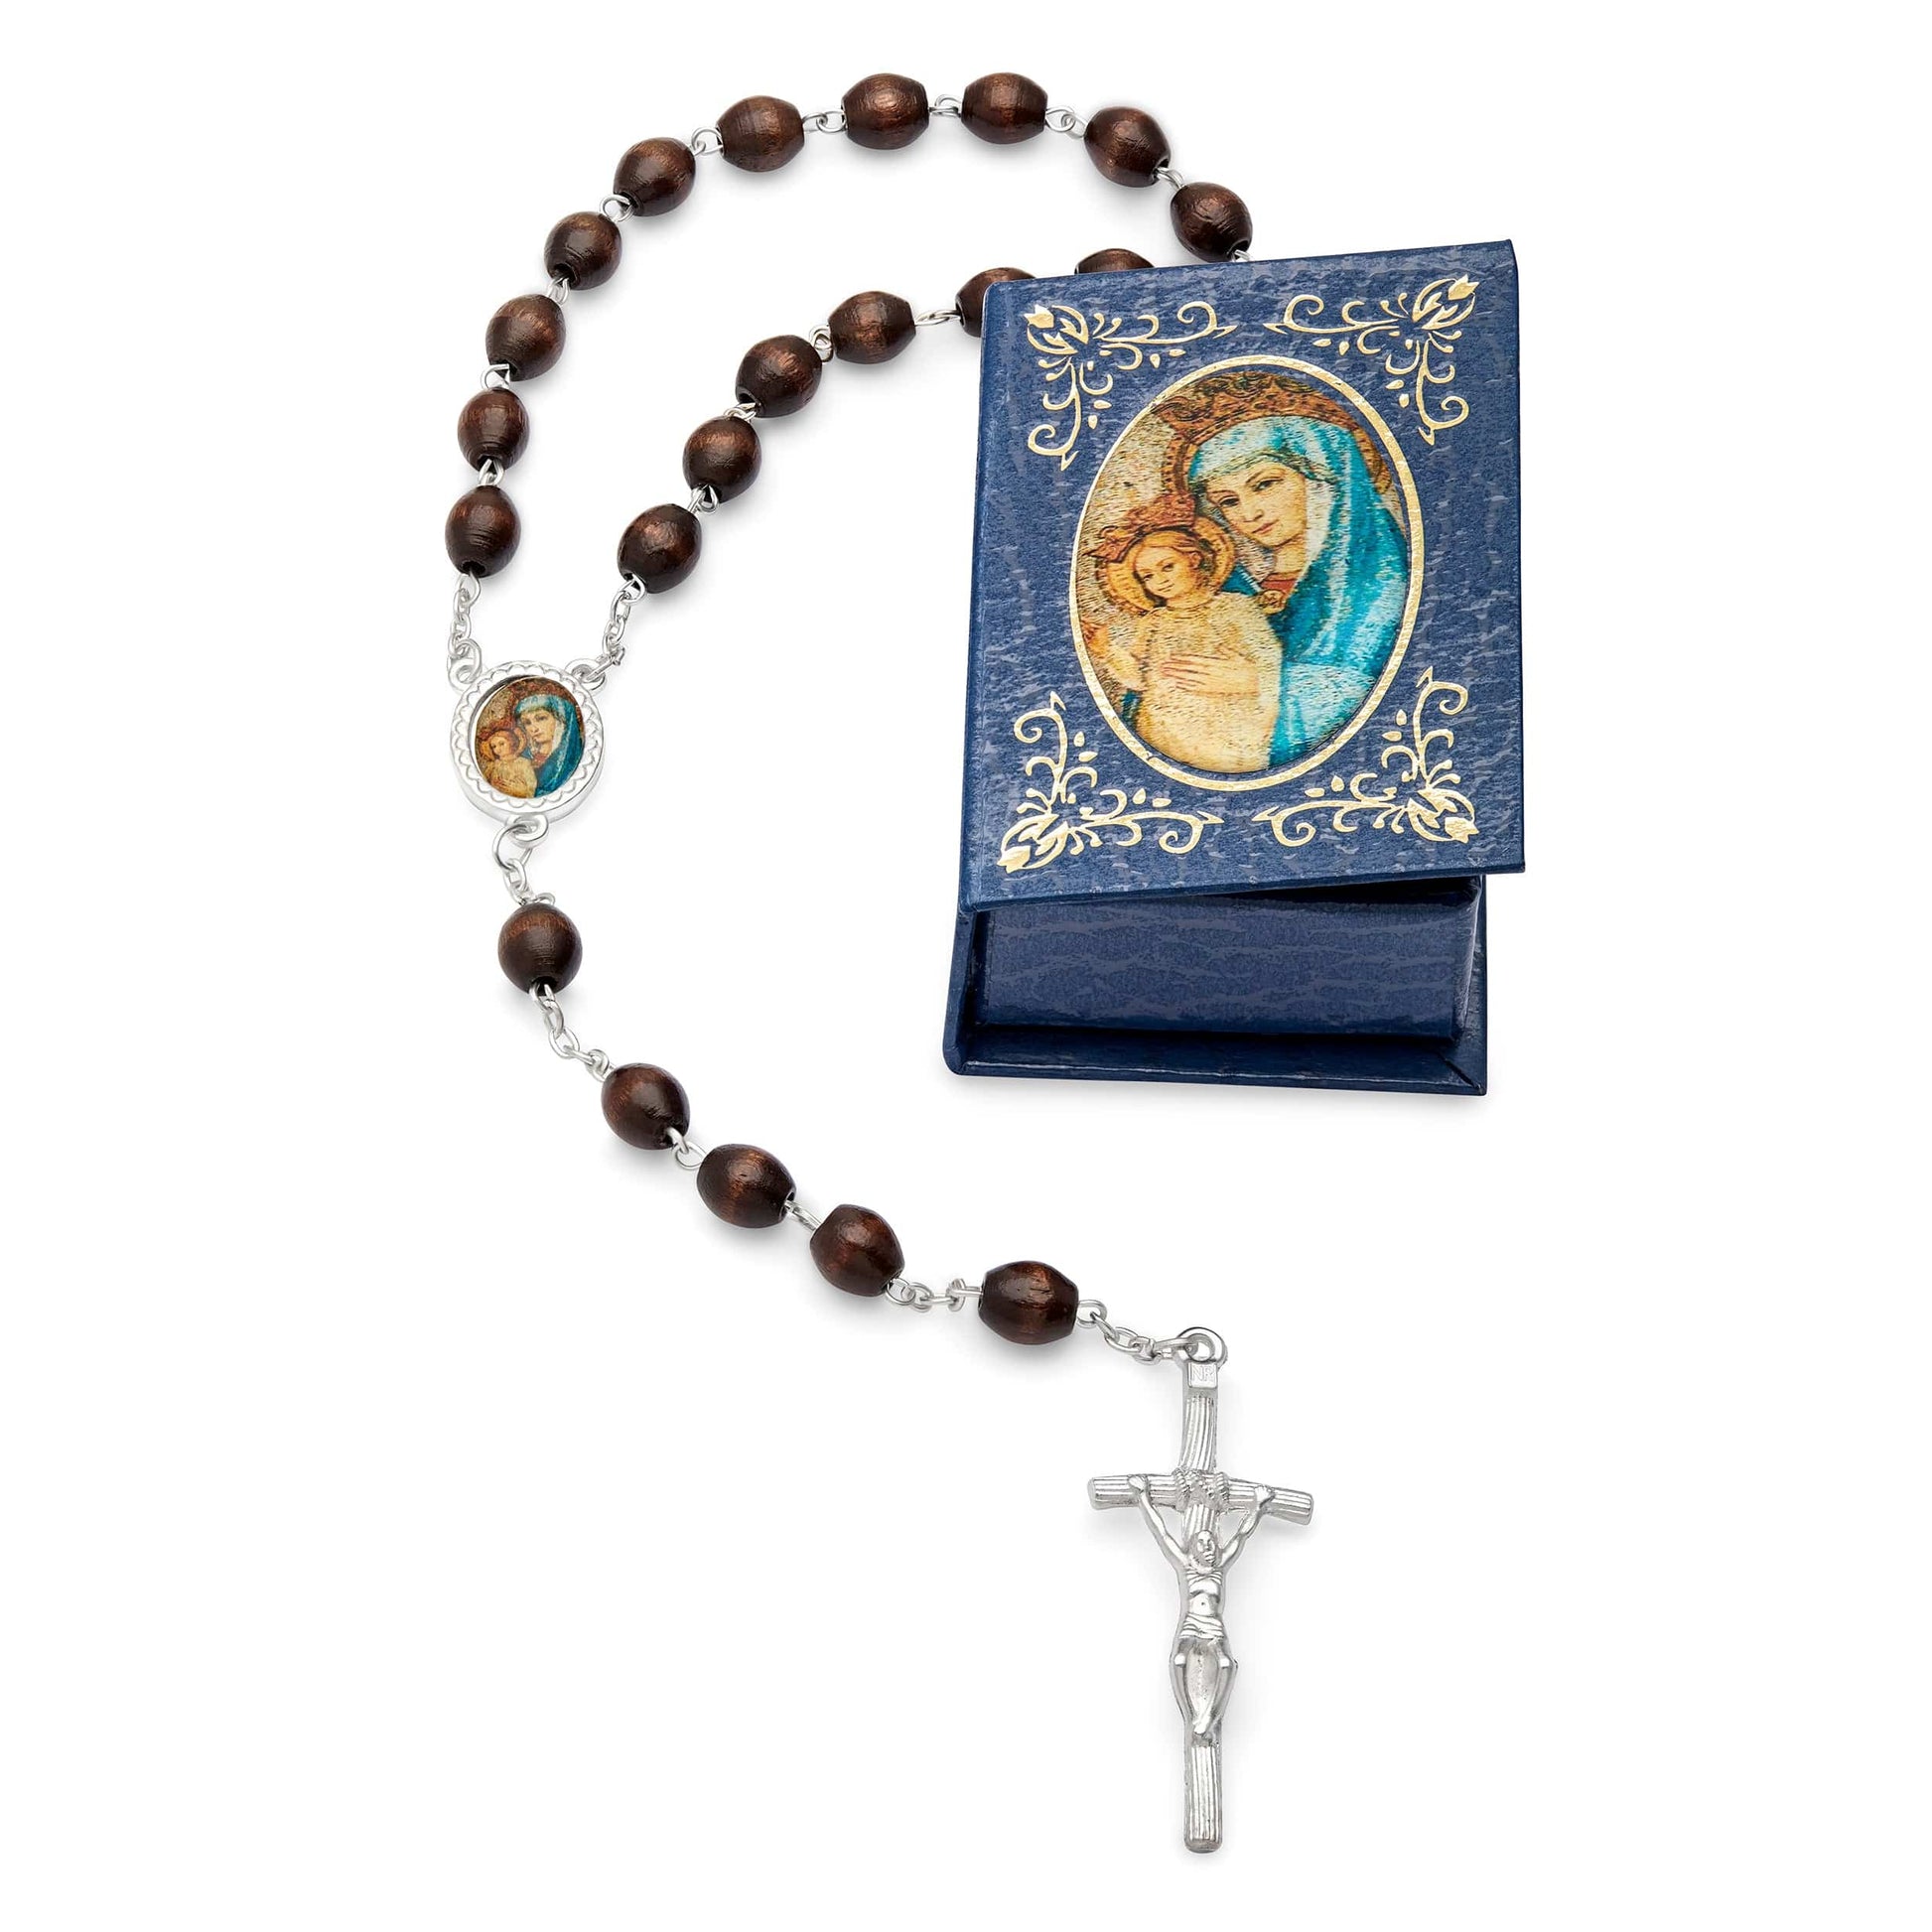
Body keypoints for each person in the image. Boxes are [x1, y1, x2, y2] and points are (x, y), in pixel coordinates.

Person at [1185, 413, 1409, 765]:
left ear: (1320, 480)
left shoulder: (1376, 585)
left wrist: (1259, 681)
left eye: (1265, 484)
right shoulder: (1227, 593)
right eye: (1228, 501)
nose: (1249, 513)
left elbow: (1388, 694)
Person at [1090, 519, 1282, 774]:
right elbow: (1139, 679)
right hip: (1163, 727)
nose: (1160, 580)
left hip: (1226, 725)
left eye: (1167, 567)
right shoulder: (1154, 622)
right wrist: (1107, 650)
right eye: (1148, 576)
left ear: (1193, 559)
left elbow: (1270, 660)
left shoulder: (1237, 608)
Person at [1127, 1473, 1273, 1741]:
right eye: (1202, 1543)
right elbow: (1161, 1532)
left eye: (1212, 1542)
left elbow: (1242, 1534)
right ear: (1192, 1548)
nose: (1209, 1547)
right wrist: (1143, 1497)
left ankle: (1210, 1718)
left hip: (1214, 1626)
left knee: (1227, 1664)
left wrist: (1258, 1505)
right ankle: (1190, 1715)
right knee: (1179, 1659)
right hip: (1192, 1623)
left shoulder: (1220, 1567)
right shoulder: (1185, 1566)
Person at [513, 690, 583, 797]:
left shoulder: (571, 757)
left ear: (560, 720)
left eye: (541, 718)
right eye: (527, 723)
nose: (533, 729)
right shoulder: (523, 757)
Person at [478, 721, 536, 799]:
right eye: (494, 746)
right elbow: (483, 782)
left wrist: (518, 790)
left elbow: (531, 787)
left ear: (511, 742)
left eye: (502, 744)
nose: (498, 749)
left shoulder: (523, 763)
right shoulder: (494, 766)